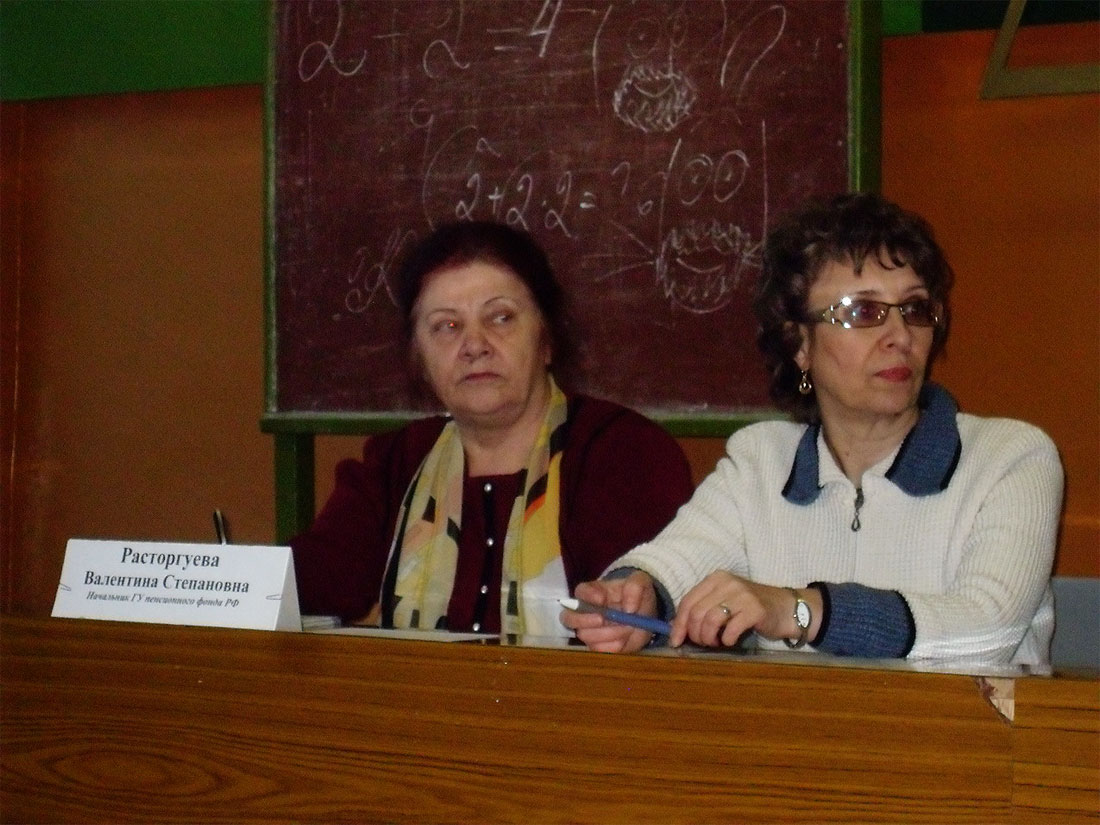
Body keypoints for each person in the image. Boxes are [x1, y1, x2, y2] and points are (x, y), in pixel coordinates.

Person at [561, 192, 1063, 666]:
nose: (900, 336)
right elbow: (675, 560)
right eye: (863, 312)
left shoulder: (1011, 458)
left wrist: (800, 610)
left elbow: (989, 628)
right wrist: (636, 591)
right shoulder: (761, 461)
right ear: (799, 343)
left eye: (915, 309)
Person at [292, 220, 694, 637]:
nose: (474, 346)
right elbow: (312, 582)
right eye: (447, 326)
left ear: (547, 339)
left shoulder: (625, 452)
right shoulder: (395, 462)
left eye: (500, 318)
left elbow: (643, 606)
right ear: (419, 359)